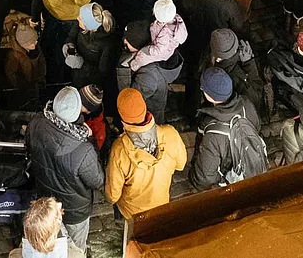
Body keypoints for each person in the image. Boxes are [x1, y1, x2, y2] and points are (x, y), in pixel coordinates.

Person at [26, 87, 102, 257]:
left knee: (49, 238)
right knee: (76, 247)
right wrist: (91, 140)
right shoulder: (83, 149)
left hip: (46, 198)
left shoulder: (36, 122)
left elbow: (29, 147)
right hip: (75, 210)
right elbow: (96, 180)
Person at [104, 87, 188, 219]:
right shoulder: (170, 133)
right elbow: (181, 165)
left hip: (132, 212)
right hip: (161, 204)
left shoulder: (119, 149)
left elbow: (113, 195)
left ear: (122, 119)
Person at [186, 68, 269, 191]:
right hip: (252, 161)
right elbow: (256, 127)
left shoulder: (213, 132)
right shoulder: (246, 103)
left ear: (210, 96)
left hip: (232, 175)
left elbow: (206, 177)